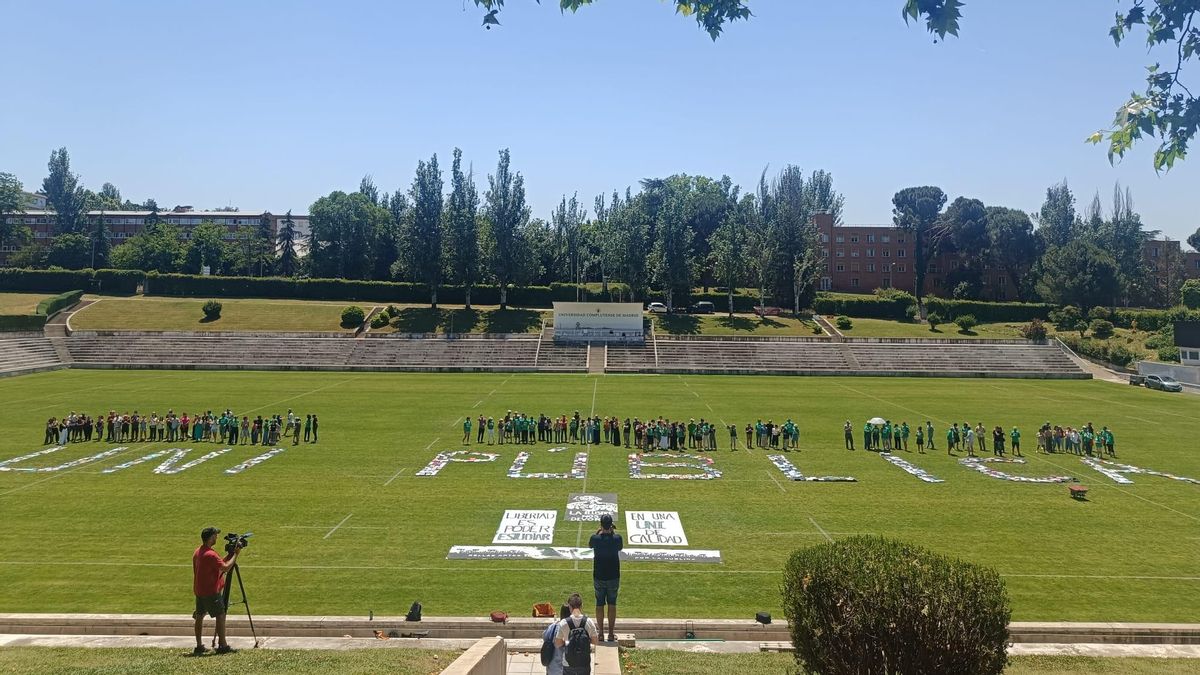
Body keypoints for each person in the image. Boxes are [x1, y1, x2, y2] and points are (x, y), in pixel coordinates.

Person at [192, 526, 242, 655]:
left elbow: (217, 564)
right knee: (220, 615)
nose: (217, 537)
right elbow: (225, 568)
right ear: (211, 538)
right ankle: (223, 645)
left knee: (199, 616)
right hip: (210, 591)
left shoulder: (198, 552)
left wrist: (229, 555)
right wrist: (235, 554)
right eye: (215, 535)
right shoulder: (211, 554)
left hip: (199, 590)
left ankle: (199, 646)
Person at [588, 513, 622, 643]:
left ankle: (601, 633)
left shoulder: (595, 538)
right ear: (611, 525)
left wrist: (599, 531)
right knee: (612, 603)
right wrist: (611, 532)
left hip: (599, 576)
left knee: (599, 603)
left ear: (601, 525)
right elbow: (619, 546)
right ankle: (611, 634)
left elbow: (590, 544)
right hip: (613, 576)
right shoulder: (617, 538)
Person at [554, 592, 600, 675]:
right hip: (584, 662)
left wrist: (568, 641)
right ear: (581, 606)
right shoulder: (589, 622)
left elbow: (557, 644)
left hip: (568, 662)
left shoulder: (563, 623)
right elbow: (596, 641)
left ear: (569, 607)